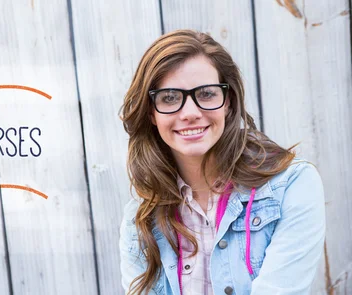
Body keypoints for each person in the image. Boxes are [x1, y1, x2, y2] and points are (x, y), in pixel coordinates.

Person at [118, 30, 325, 295]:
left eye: (206, 94)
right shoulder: (139, 220)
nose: (190, 113)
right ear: (151, 112)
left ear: (227, 101)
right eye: (169, 98)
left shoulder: (292, 186)